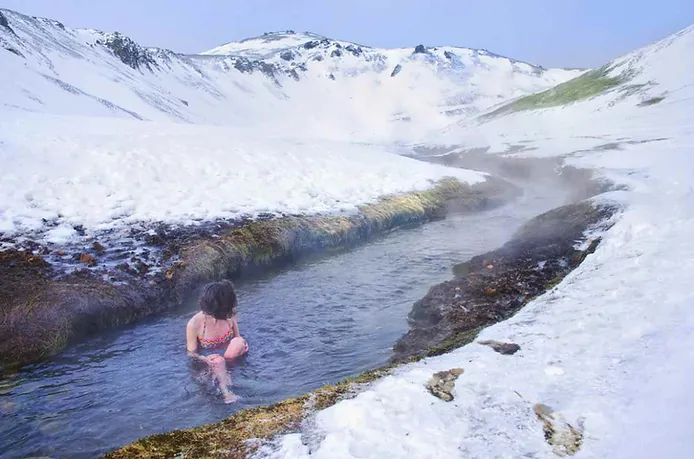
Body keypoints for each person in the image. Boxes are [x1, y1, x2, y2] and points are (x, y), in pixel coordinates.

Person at [186, 279, 249, 403]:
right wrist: (205, 359)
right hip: (208, 362)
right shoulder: (194, 324)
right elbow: (191, 353)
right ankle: (226, 392)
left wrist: (244, 346)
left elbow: (237, 337)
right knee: (219, 361)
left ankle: (232, 377)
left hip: (231, 357)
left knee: (237, 342)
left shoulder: (229, 315)